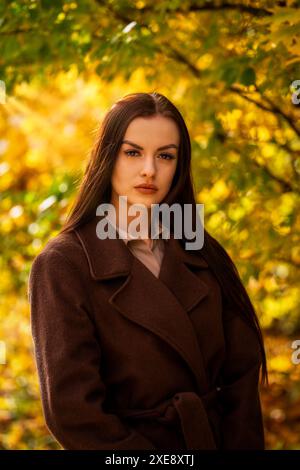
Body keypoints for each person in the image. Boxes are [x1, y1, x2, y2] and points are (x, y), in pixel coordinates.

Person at [28, 92, 268, 450]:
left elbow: (242, 383)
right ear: (107, 158)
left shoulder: (205, 252)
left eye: (165, 156)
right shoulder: (64, 264)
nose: (149, 170)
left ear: (179, 166)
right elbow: (73, 413)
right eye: (133, 152)